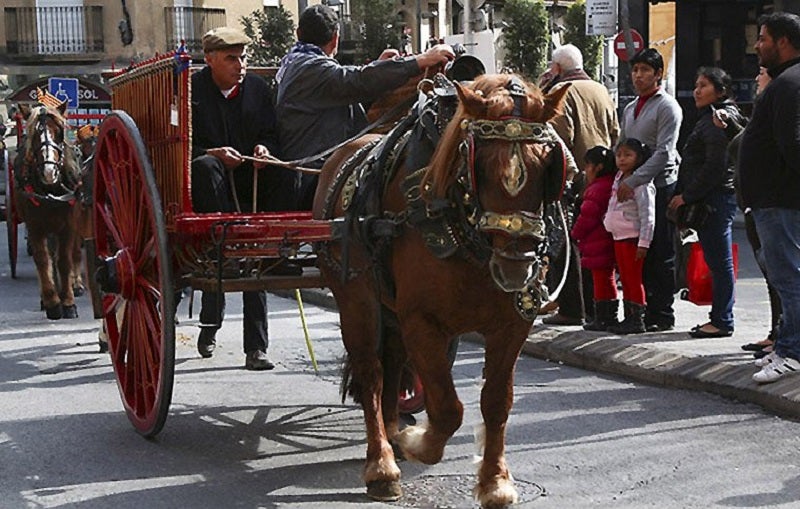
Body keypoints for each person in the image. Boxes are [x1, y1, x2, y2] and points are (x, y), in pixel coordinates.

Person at [275, 4, 455, 210]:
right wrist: (422, 60)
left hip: (313, 173)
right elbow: (357, 80)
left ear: (298, 34)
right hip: (313, 179)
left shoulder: (296, 62)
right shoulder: (310, 68)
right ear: (336, 38)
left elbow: (348, 88)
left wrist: (379, 66)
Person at [190, 26, 290, 371]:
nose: (240, 64)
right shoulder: (192, 90)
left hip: (252, 185)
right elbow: (182, 147)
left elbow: (272, 135)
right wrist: (213, 153)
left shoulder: (259, 90)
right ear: (211, 60)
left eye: (243, 57)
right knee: (205, 167)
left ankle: (257, 349)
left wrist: (265, 150)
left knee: (256, 257)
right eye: (231, 58)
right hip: (209, 191)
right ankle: (209, 325)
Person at [739, 12, 800, 383]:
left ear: (782, 41)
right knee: (784, 277)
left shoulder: (790, 85)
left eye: (762, 38)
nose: (756, 45)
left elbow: (793, 145)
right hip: (772, 201)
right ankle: (787, 345)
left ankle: (793, 352)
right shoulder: (785, 83)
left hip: (781, 201)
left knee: (789, 277)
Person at [540, 44, 620, 326]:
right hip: (603, 178)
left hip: (574, 182)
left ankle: (572, 308)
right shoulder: (600, 90)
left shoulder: (560, 93)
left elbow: (558, 140)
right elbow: (615, 133)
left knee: (569, 244)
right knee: (598, 247)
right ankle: (598, 308)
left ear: (558, 69)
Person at [668, 67, 743, 338]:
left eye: (704, 86)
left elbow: (715, 166)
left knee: (720, 263)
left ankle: (722, 320)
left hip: (714, 200)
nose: (697, 91)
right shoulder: (710, 118)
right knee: (717, 261)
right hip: (712, 199)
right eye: (696, 85)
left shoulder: (718, 119)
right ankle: (721, 317)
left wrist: (686, 197)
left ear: (720, 91)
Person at [716, 67, 780, 357]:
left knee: (782, 274)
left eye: (763, 73)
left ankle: (784, 338)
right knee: (773, 274)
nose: (756, 78)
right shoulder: (763, 111)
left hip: (773, 204)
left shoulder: (781, 105)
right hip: (756, 203)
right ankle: (777, 333)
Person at [618, 48, 682, 333]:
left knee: (660, 252)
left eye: (645, 70)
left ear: (658, 74)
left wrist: (634, 181)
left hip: (660, 186)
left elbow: (664, 153)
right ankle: (638, 312)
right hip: (632, 192)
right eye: (635, 70)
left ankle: (663, 313)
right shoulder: (631, 108)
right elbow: (622, 146)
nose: (639, 75)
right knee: (636, 251)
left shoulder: (668, 107)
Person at [603, 139, 656, 335]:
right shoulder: (618, 178)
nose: (622, 159)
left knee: (633, 279)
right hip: (618, 236)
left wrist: (644, 243)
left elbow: (648, 216)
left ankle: (636, 320)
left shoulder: (642, 184)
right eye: (619, 155)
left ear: (639, 158)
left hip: (632, 238)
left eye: (628, 155)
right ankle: (627, 317)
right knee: (624, 279)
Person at [570, 146, 619, 331]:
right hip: (606, 240)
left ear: (598, 167)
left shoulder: (596, 189)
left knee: (601, 280)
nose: (585, 170)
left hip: (596, 242)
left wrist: (575, 234)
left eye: (588, 165)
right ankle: (608, 315)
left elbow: (587, 217)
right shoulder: (611, 185)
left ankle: (603, 317)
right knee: (608, 279)